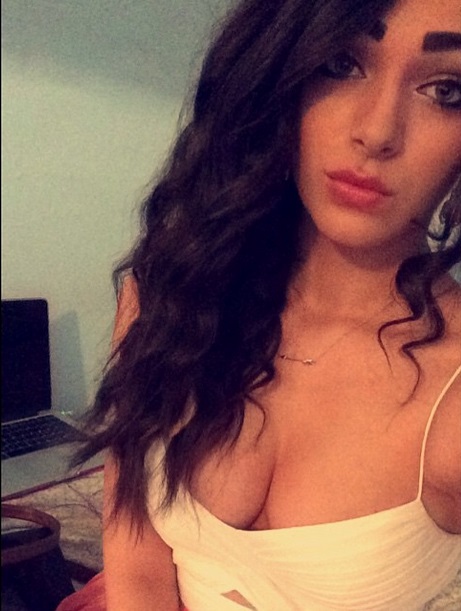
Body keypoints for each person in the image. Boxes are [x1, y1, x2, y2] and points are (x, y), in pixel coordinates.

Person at [59, 0, 461, 609]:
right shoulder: (173, 292)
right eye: (340, 63)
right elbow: (137, 565)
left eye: (446, 90)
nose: (377, 132)